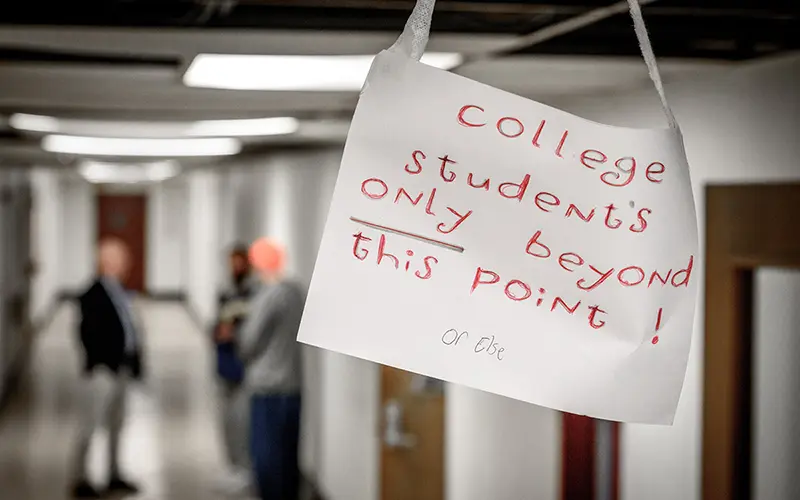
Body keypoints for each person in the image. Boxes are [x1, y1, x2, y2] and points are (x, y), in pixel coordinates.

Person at [71, 238, 142, 498]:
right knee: (89, 425)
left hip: (121, 370)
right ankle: (80, 477)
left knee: (117, 424)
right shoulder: (91, 294)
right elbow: (86, 334)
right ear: (108, 262)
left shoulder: (120, 291)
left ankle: (113, 474)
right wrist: (104, 361)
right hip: (103, 371)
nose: (128, 263)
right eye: (123, 258)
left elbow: (130, 328)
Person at [238, 238, 305, 500]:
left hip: (268, 388)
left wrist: (237, 330)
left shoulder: (267, 296)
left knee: (266, 457)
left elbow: (248, 343)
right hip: (293, 386)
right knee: (288, 456)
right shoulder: (295, 292)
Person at [213, 244, 257, 495]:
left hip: (244, 367)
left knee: (243, 420)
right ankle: (232, 466)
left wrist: (235, 333)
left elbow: (253, 331)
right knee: (227, 420)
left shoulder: (255, 294)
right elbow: (217, 323)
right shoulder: (226, 292)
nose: (235, 267)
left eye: (239, 262)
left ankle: (245, 468)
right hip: (224, 365)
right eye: (232, 262)